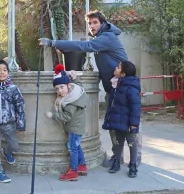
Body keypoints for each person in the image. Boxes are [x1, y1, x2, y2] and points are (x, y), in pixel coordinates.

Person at [38, 10, 142, 167]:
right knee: (115, 126)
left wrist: (54, 43)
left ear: (102, 23)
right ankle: (117, 157)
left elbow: (85, 46)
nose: (92, 26)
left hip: (125, 88)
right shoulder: (101, 38)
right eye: (89, 23)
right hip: (113, 89)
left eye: (95, 22)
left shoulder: (107, 37)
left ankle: (136, 157)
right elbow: (105, 63)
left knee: (130, 126)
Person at [45, 64, 88, 181]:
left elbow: (66, 116)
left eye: (61, 87)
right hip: (78, 126)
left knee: (72, 148)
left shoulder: (70, 101)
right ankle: (82, 165)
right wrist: (75, 78)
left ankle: (73, 171)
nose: (59, 91)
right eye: (57, 88)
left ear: (69, 86)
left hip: (74, 128)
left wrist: (52, 115)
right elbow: (79, 85)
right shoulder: (76, 91)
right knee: (76, 146)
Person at [102, 61, 141, 178]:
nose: (115, 68)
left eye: (118, 67)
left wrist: (134, 123)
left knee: (131, 143)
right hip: (117, 120)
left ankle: (133, 164)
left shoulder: (131, 87)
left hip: (128, 122)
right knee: (118, 142)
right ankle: (117, 162)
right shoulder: (116, 84)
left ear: (123, 74)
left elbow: (135, 106)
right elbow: (112, 104)